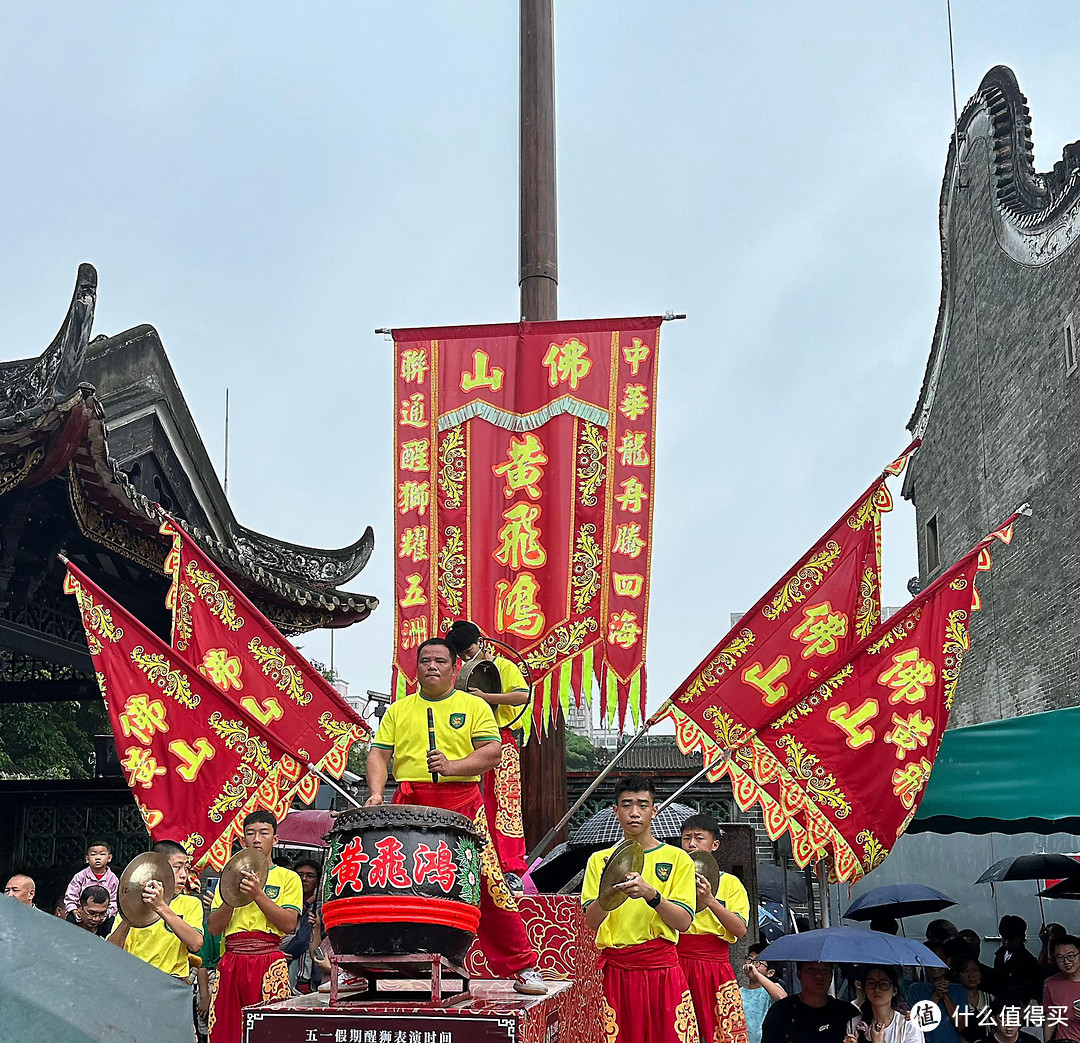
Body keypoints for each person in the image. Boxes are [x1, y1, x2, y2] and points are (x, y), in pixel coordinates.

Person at [366, 637, 545, 995]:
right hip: (410, 806)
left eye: (440, 661)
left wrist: (453, 766)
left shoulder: (474, 706)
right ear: (415, 669)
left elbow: (492, 752)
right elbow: (379, 755)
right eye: (425, 661)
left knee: (491, 885)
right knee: (389, 885)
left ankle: (522, 967)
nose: (432, 667)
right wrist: (374, 794)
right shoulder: (399, 711)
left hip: (463, 803)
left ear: (454, 668)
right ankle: (368, 967)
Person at [581, 775, 699, 1043]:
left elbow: (683, 922)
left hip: (662, 971)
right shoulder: (600, 861)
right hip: (616, 972)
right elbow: (590, 921)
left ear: (654, 810)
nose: (634, 812)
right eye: (626, 805)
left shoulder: (677, 858)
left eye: (643, 805)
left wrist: (651, 894)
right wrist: (608, 891)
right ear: (616, 811)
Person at [446, 619, 531, 890]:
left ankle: (510, 867)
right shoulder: (459, 674)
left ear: (481, 642)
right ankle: (471, 863)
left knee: (504, 807)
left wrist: (486, 697)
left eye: (469, 652)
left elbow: (522, 696)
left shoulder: (504, 667)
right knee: (472, 802)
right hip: (469, 744)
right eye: (462, 656)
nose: (467, 658)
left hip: (502, 741)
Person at [206, 811, 302, 1043]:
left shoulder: (288, 878)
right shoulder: (227, 879)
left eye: (263, 833)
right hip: (231, 960)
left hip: (268, 959)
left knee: (269, 1030)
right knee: (225, 1030)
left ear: (275, 840)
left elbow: (289, 924)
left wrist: (258, 894)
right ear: (242, 840)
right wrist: (232, 895)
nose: (256, 839)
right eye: (250, 834)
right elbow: (214, 928)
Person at [678, 812, 750, 1043]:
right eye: (686, 838)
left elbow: (740, 930)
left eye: (699, 838)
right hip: (675, 963)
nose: (691, 844)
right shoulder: (671, 882)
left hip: (714, 967)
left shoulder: (730, 883)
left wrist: (710, 900)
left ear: (715, 844)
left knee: (719, 1031)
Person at [108, 839, 203, 978]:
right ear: (159, 867)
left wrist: (160, 907)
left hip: (173, 980)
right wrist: (131, 914)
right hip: (136, 979)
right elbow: (111, 951)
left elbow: (196, 944)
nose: (184, 875)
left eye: (186, 868)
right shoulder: (130, 904)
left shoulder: (190, 903)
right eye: (178, 867)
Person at [760, 961, 859, 1043]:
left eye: (825, 970)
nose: (818, 976)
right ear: (799, 974)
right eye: (811, 969)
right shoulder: (780, 1011)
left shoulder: (848, 1013)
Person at [855, 965, 924, 1043]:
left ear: (894, 990)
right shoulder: (854, 1024)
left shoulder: (908, 1025)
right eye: (871, 983)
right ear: (864, 989)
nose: (877, 989)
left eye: (884, 984)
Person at [282, 859, 322, 993]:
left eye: (309, 876)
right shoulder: (284, 900)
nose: (304, 879)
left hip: (304, 973)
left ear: (318, 881)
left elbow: (303, 940)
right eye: (299, 875)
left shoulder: (318, 907)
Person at [909, 958, 967, 1043]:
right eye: (930, 961)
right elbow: (916, 1025)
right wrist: (936, 996)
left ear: (948, 961)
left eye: (939, 960)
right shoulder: (916, 989)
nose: (935, 966)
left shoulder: (958, 989)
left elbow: (961, 1026)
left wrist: (946, 997)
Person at [741, 943, 787, 1043]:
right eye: (750, 959)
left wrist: (757, 974)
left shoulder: (772, 989)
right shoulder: (738, 992)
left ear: (770, 972)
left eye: (758, 962)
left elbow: (782, 998)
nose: (751, 964)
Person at [994, 917, 1043, 1009]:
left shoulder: (1028, 962)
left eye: (1012, 939)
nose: (1007, 942)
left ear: (1021, 938)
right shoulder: (1000, 955)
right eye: (1004, 938)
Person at [64, 837, 119, 916]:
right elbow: (71, 896)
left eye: (102, 854)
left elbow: (115, 901)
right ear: (87, 859)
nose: (97, 858)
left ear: (109, 858)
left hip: (104, 914)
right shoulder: (80, 876)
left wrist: (107, 913)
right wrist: (74, 910)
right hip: (82, 913)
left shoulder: (113, 879)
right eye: (93, 854)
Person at [1042, 935, 1080, 1042]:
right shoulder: (1051, 983)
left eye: (1071, 955)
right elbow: (1050, 1018)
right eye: (1060, 957)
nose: (1066, 961)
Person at [954, 956, 995, 1024]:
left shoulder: (989, 998)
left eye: (975, 970)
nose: (971, 975)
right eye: (966, 971)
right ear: (958, 975)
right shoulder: (953, 997)